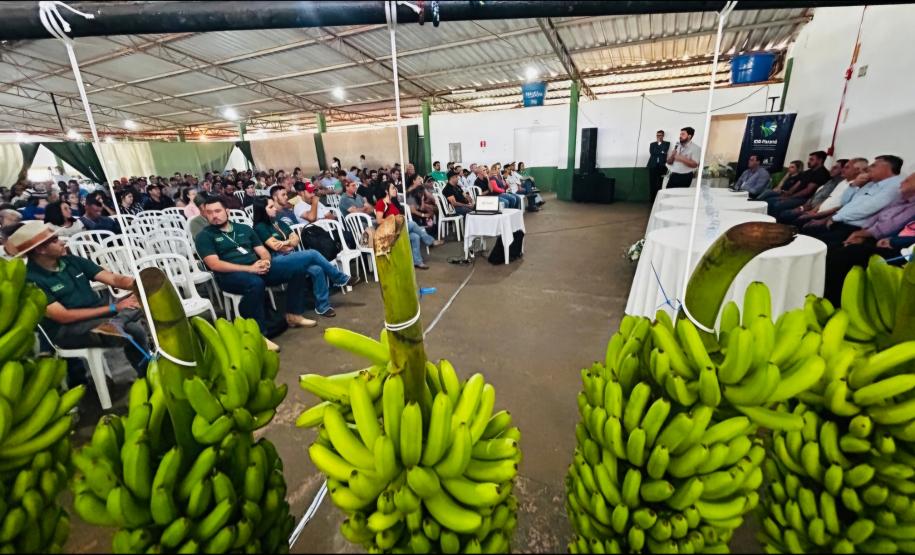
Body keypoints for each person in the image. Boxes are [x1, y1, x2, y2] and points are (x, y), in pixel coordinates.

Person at [9, 221, 150, 381]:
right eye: (55, 240)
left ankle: (119, 321)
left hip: (98, 318)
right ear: (40, 249)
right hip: (66, 330)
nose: (62, 242)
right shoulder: (31, 280)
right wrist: (113, 307)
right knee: (133, 329)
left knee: (143, 300)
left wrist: (139, 284)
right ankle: (145, 375)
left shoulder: (71, 261)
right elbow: (63, 316)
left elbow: (112, 278)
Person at [194, 197, 317, 346]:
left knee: (297, 269)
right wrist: (250, 269)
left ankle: (293, 314)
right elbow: (214, 264)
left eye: (218, 211)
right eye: (209, 212)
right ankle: (259, 334)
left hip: (257, 268)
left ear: (227, 211)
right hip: (230, 275)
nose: (214, 215)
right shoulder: (205, 236)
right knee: (255, 283)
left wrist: (265, 262)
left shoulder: (244, 229)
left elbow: (263, 251)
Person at [251, 198, 358, 318]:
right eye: (270, 207)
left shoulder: (278, 222)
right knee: (312, 253)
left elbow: (296, 239)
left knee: (317, 269)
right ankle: (339, 278)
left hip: (290, 255)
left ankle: (322, 307)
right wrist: (288, 243)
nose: (275, 208)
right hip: (274, 261)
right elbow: (275, 246)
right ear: (262, 210)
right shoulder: (260, 227)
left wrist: (286, 243)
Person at [823, 172, 915, 304]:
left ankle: (832, 301)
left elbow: (893, 225)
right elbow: (878, 219)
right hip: (881, 238)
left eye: (907, 181)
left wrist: (892, 240)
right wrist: (861, 234)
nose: (901, 183)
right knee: (835, 248)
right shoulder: (900, 200)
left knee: (848, 253)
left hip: (901, 252)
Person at [804, 155, 905, 244]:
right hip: (841, 222)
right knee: (804, 230)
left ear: (887, 168)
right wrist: (854, 185)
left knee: (811, 241)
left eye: (874, 165)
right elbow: (845, 202)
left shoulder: (895, 185)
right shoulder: (871, 184)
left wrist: (833, 218)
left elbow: (868, 209)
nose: (869, 168)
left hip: (854, 228)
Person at [375, 182, 442, 270]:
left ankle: (418, 262)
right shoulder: (381, 203)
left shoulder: (392, 202)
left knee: (415, 237)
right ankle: (430, 241)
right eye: (393, 188)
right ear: (386, 191)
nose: (396, 190)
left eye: (395, 188)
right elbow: (379, 220)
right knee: (412, 224)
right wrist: (394, 220)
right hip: (390, 231)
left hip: (399, 229)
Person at [763, 151, 832, 216]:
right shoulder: (808, 172)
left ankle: (774, 224)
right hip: (795, 196)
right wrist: (788, 194)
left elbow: (808, 191)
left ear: (820, 160)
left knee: (777, 204)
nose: (808, 162)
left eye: (811, 160)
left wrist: (790, 197)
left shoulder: (822, 173)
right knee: (769, 200)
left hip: (805, 199)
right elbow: (797, 184)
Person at [646, 130, 670, 202]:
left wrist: (660, 147)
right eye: (657, 135)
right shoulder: (652, 144)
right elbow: (652, 153)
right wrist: (661, 152)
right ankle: (652, 200)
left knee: (660, 183)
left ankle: (659, 199)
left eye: (660, 135)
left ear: (663, 136)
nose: (658, 137)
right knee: (652, 183)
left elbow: (665, 151)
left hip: (662, 166)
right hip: (652, 165)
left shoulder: (667, 143)